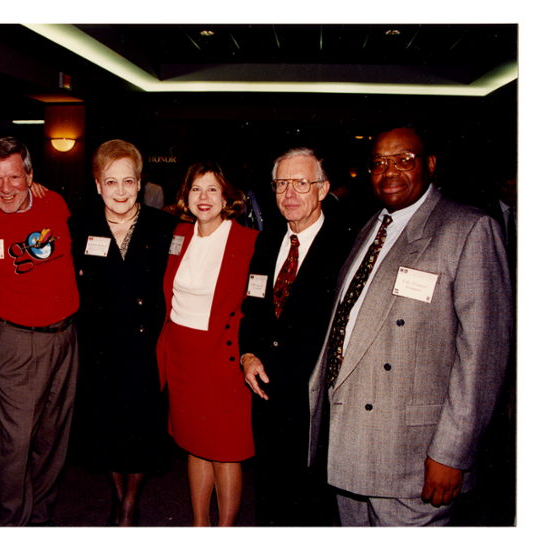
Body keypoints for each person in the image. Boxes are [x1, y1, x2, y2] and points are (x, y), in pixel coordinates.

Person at [307, 125, 512, 526]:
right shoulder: (371, 226)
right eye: (379, 162)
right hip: (351, 445)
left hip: (413, 457)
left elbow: (483, 357)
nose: (390, 171)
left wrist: (453, 453)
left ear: (430, 164)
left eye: (404, 160)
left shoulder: (467, 230)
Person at [238, 147, 355, 526]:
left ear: (322, 189)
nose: (289, 193)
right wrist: (248, 354)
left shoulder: (346, 245)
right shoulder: (267, 239)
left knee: (311, 504)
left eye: (301, 183)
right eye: (281, 183)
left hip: (314, 400)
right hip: (267, 394)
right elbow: (253, 306)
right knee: (269, 496)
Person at [0, 136, 79, 526]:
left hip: (65, 338)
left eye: (14, 177)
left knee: (53, 439)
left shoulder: (54, 202)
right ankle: (8, 528)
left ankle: (39, 523)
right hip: (15, 343)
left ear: (29, 174)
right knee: (15, 446)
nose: (6, 189)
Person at [68, 140, 178, 526]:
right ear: (97, 184)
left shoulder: (165, 227)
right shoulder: (79, 226)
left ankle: (130, 502)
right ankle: (118, 493)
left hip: (146, 348)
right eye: (110, 182)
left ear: (139, 183)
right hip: (101, 348)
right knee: (108, 433)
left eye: (127, 181)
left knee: (141, 434)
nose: (119, 191)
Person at [156, 161, 258, 526]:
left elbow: (255, 305)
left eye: (213, 189)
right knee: (193, 444)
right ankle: (200, 525)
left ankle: (225, 533)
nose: (204, 197)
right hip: (181, 356)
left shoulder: (247, 241)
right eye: (197, 188)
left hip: (222, 355)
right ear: (186, 195)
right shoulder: (179, 234)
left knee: (225, 450)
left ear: (227, 197)